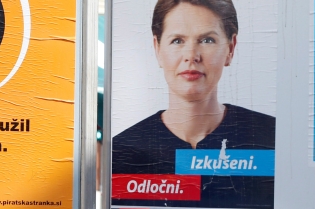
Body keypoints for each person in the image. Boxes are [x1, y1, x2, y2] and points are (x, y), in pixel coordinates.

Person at [112, 0, 275, 189]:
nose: (191, 55)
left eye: (207, 40)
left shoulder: (272, 138)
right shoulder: (122, 150)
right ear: (157, 48)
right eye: (177, 41)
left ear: (230, 49)